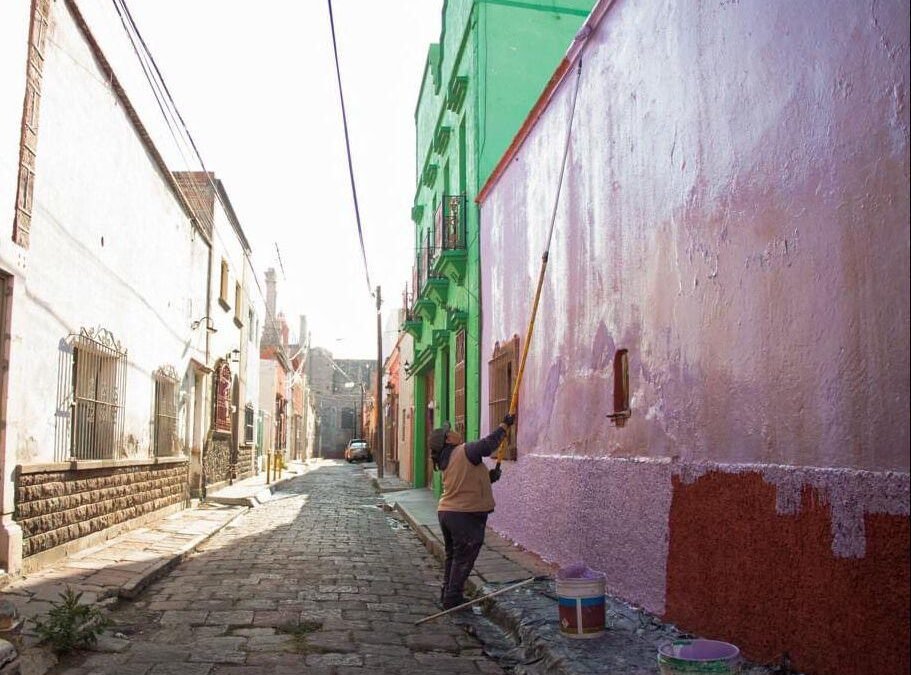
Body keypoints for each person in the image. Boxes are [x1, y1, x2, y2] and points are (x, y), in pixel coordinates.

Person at [429, 413, 516, 610]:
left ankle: (448, 594)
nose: (453, 431)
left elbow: (465, 481)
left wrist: (489, 478)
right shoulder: (465, 450)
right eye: (449, 431)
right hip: (464, 514)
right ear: (448, 439)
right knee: (463, 558)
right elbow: (487, 446)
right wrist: (504, 426)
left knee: (454, 556)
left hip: (448, 512)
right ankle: (453, 598)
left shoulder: (448, 458)